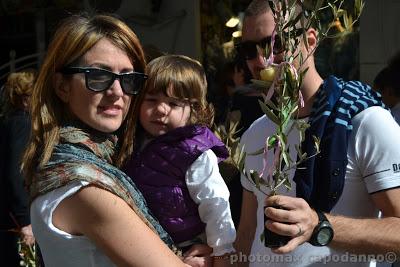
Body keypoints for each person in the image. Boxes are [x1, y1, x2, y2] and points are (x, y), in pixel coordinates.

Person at [22, 14, 209, 267]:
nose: (117, 92)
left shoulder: (82, 165)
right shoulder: (85, 187)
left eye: (129, 79)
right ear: (62, 86)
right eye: (98, 76)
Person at [234, 1, 400, 267]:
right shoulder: (256, 134)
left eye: (275, 45)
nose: (261, 60)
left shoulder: (366, 123)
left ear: (310, 41)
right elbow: (246, 233)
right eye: (248, 50)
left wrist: (320, 225)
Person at [123, 54, 237, 266]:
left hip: (186, 247)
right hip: (141, 246)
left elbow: (215, 203)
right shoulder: (131, 142)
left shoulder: (194, 151)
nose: (160, 110)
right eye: (151, 100)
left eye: (173, 103)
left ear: (193, 110)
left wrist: (222, 252)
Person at [0, 70, 36, 267]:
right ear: (25, 99)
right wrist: (25, 220)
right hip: (14, 222)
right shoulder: (22, 123)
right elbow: (16, 173)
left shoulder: (8, 122)